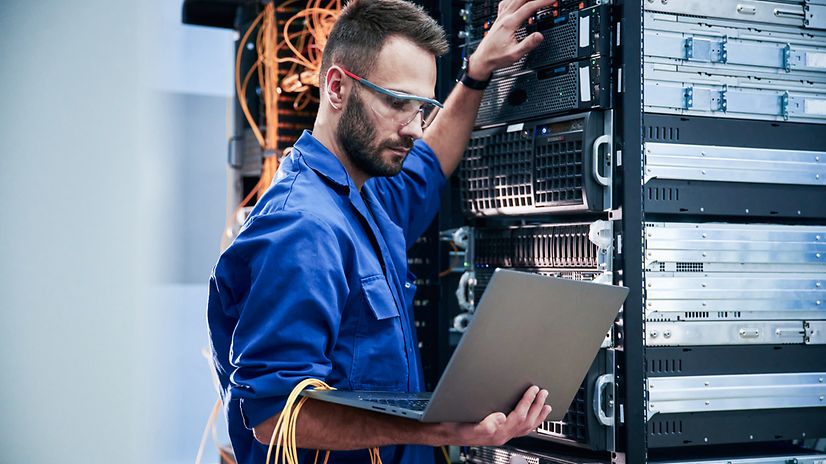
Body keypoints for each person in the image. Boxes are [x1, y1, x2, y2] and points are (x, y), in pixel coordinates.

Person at [207, 0, 551, 462]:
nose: (414, 128)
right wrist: (436, 428)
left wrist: (476, 73)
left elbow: (429, 163)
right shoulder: (303, 228)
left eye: (422, 108)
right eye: (397, 103)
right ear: (336, 88)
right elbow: (275, 416)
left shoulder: (364, 195)